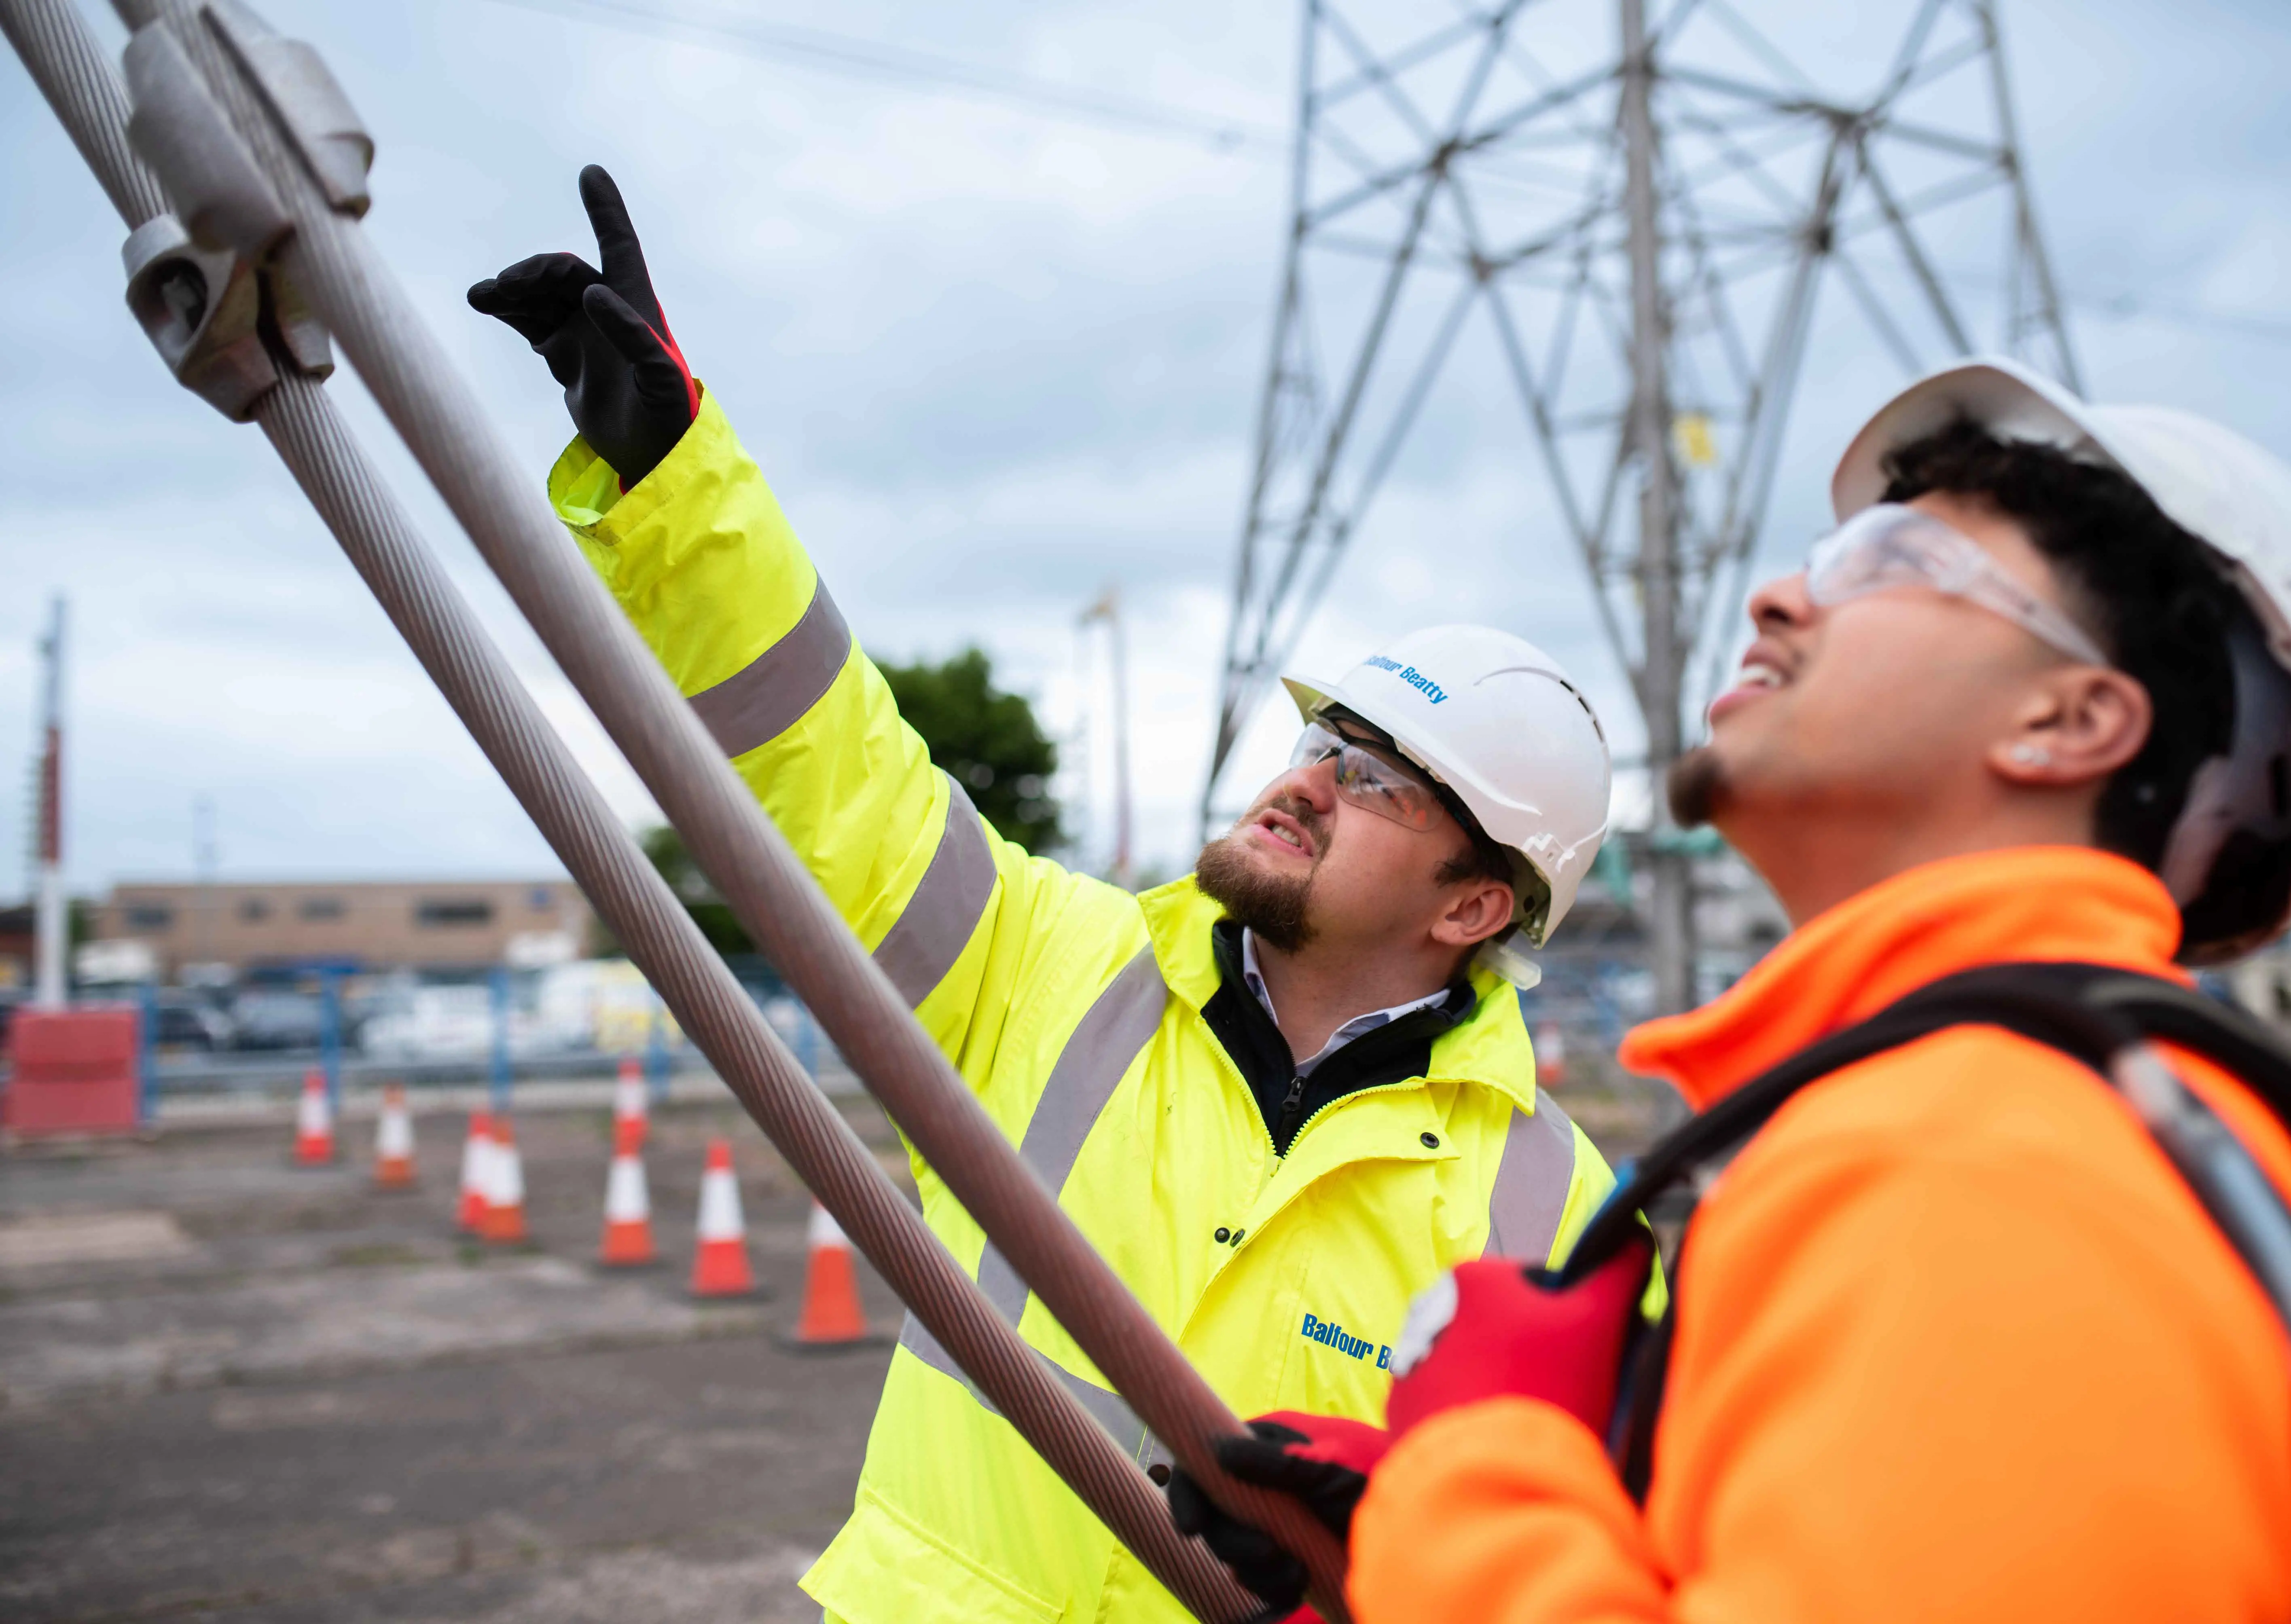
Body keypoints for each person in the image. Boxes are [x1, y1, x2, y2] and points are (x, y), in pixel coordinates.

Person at [468, 165, 1618, 1623]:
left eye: (1380, 781)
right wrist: (675, 477)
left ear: (1472, 908)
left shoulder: (1557, 1215)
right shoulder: (1047, 964)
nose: (1308, 780)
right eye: (1322, 741)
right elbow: (826, 767)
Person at [1174, 356, 2291, 1622]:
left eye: (1894, 566)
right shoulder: (1986, 1111)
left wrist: (1476, 1469)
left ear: (2073, 721)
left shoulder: (1992, 1155)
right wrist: (1412, 1535)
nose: (1777, 597)